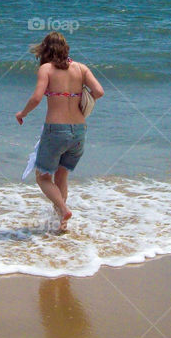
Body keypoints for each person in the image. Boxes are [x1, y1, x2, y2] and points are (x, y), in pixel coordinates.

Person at [15, 31, 104, 231]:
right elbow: (99, 91)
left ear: (46, 50)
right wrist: (80, 98)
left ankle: (63, 210)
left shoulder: (46, 69)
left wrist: (22, 113)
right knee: (61, 177)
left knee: (43, 177)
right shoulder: (81, 68)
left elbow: (37, 98)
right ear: (66, 49)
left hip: (56, 130)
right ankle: (61, 224)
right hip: (79, 131)